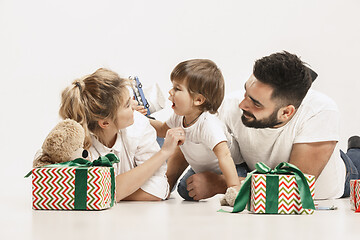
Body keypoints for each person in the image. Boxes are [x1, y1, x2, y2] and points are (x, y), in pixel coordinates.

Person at [166, 51, 359, 200]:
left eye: (256, 103)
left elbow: (296, 186)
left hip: (338, 182)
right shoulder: (233, 105)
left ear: (286, 112)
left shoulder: (321, 112)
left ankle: (355, 151)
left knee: (356, 161)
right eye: (245, 93)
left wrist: (221, 184)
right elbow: (192, 134)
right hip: (258, 177)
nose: (242, 105)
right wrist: (166, 185)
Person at [59, 68, 185, 202]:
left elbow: (160, 189)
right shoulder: (79, 148)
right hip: (140, 154)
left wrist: (165, 152)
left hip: (146, 139)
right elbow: (88, 192)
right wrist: (112, 192)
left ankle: (177, 153)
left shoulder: (139, 123)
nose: (135, 104)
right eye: (126, 105)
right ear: (105, 123)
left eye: (130, 100)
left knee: (168, 185)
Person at [150, 59, 240, 201]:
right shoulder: (179, 117)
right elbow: (161, 130)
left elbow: (225, 156)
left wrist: (233, 187)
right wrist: (139, 118)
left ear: (198, 100)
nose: (170, 91)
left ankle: (239, 185)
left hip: (232, 167)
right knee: (184, 190)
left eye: (177, 89)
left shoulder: (208, 124)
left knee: (232, 184)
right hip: (202, 168)